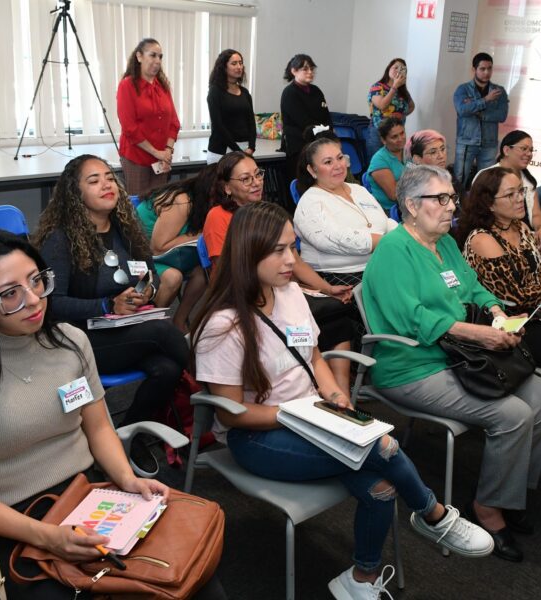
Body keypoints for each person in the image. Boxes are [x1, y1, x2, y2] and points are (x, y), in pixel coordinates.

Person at [192, 201, 494, 599]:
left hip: (312, 416)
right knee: (384, 446)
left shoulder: (289, 293)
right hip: (259, 435)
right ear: (248, 253)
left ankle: (361, 579)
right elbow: (234, 415)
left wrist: (334, 394)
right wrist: (297, 415)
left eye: (293, 247)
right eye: (279, 250)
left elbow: (314, 357)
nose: (291, 260)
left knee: (380, 488)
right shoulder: (223, 325)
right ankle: (433, 514)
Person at [0, 230, 226, 600]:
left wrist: (127, 479)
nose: (33, 299)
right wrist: (49, 537)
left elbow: (98, 428)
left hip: (89, 496)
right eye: (10, 294)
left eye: (36, 281)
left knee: (191, 576)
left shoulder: (69, 342)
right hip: (13, 522)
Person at [363, 164, 541, 563]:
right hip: (412, 366)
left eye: (452, 197)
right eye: (441, 198)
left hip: (459, 356)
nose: (452, 206)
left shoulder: (446, 243)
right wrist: (479, 334)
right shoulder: (393, 252)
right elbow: (412, 320)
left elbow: (473, 286)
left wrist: (497, 313)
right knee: (513, 415)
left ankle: (512, 493)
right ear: (412, 205)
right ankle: (488, 507)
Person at [34, 155, 188, 470]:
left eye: (109, 177)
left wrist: (147, 292)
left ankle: (128, 434)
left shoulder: (126, 227)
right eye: (94, 181)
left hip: (125, 329)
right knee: (164, 332)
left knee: (167, 369)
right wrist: (106, 305)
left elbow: (150, 274)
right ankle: (212, 384)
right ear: (75, 193)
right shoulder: (60, 239)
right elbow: (52, 304)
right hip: (79, 339)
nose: (106, 185)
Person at [202, 151, 357, 394]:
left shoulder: (270, 213)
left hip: (281, 290)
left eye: (258, 175)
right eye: (246, 179)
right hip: (253, 295)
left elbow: (296, 263)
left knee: (338, 315)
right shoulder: (219, 217)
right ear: (227, 188)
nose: (256, 182)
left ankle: (341, 394)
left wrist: (326, 288)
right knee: (329, 316)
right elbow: (230, 269)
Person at [458, 167, 541, 377]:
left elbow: (538, 275)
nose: (520, 199)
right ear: (489, 204)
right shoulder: (483, 240)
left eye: (521, 191)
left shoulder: (520, 227)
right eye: (510, 195)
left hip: (538, 313)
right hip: (512, 322)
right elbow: (513, 299)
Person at [294, 137, 398, 288]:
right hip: (339, 274)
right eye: (328, 162)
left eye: (340, 158)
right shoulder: (310, 202)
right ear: (312, 170)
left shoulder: (358, 190)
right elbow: (334, 239)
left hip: (379, 263)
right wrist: (389, 241)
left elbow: (384, 221)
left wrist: (402, 236)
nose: (338, 166)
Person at [137, 165, 218, 332]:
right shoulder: (182, 200)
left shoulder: (207, 203)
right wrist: (202, 234)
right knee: (173, 277)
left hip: (172, 255)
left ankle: (179, 321)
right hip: (143, 256)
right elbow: (158, 247)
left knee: (203, 272)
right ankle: (149, 326)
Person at [117, 38, 180, 197]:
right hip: (136, 158)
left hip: (161, 159)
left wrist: (167, 151)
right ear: (139, 56)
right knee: (139, 206)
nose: (157, 61)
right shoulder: (127, 85)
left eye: (160, 56)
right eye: (153, 55)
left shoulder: (163, 85)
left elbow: (174, 123)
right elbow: (130, 128)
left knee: (158, 203)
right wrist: (156, 153)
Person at [472, 130, 541, 251]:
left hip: (524, 235)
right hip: (496, 237)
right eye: (524, 149)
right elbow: (478, 215)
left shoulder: (528, 180)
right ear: (506, 150)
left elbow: (536, 213)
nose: (529, 154)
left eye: (531, 150)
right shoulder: (486, 177)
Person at [452, 52, 509, 189]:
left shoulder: (499, 91)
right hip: (467, 141)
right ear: (474, 69)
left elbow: (502, 115)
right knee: (459, 179)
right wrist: (486, 100)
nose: (486, 72)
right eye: (482, 69)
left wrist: (480, 114)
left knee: (485, 181)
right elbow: (462, 110)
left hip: (489, 143)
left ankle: (478, 203)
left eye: (489, 68)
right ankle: (457, 202)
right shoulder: (463, 89)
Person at [280, 53, 332, 187]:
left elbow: (326, 116)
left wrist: (328, 132)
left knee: (320, 184)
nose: (310, 72)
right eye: (305, 69)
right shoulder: (289, 93)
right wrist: (321, 131)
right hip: (299, 146)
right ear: (294, 71)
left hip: (318, 143)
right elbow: (303, 122)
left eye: (312, 69)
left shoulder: (316, 91)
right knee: (303, 185)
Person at [206, 49, 256, 164]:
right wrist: (238, 151)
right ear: (224, 67)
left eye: (240, 63)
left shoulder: (245, 92)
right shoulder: (215, 91)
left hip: (244, 149)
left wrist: (251, 147)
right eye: (234, 63)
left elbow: (251, 122)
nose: (239, 67)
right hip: (221, 151)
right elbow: (218, 125)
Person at [366, 58, 415, 159]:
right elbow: (382, 105)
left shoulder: (402, 91)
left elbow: (411, 106)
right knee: (378, 162)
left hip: (397, 134)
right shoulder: (377, 87)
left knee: (395, 162)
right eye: (395, 67)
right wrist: (394, 87)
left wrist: (400, 114)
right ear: (388, 69)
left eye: (402, 69)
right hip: (379, 133)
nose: (398, 70)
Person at [366, 116, 407, 212]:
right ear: (383, 140)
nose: (400, 139)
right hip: (389, 211)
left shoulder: (407, 151)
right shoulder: (379, 160)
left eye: (402, 133)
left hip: (409, 203)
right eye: (394, 137)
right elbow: (394, 195)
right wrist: (415, 178)